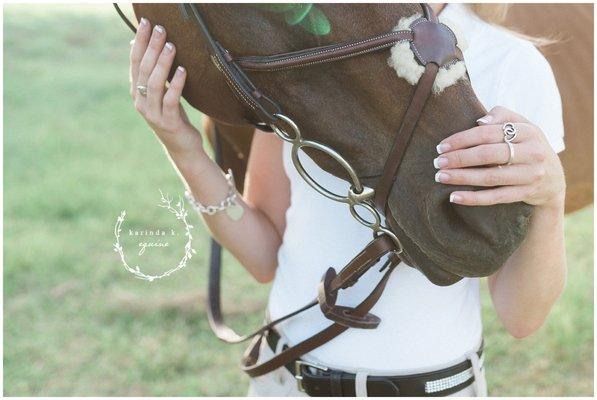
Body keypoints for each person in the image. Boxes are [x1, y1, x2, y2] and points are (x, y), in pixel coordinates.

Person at [128, 3, 566, 397]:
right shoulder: (308, 38)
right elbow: (264, 257)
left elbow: (521, 316)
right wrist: (181, 145)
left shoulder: (512, 65)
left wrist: (551, 198)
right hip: (285, 383)